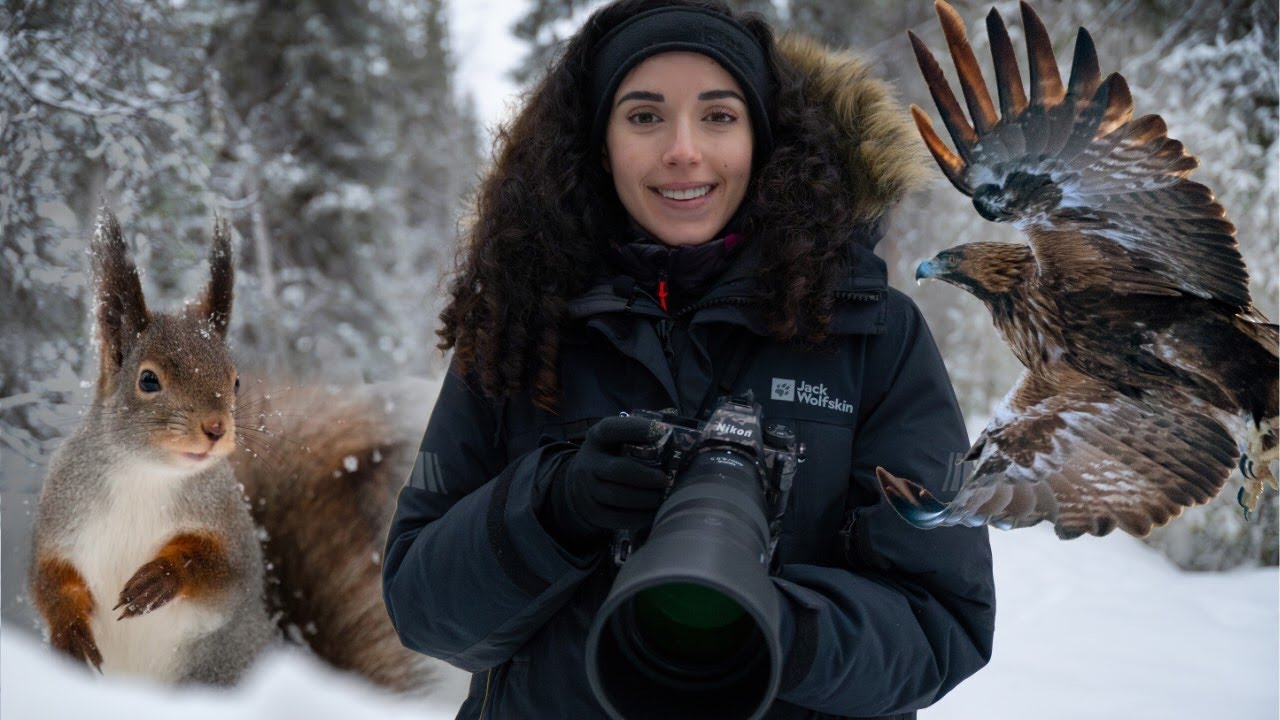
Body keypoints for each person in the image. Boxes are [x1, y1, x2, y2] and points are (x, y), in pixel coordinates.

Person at [382, 1, 995, 717]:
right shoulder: (521, 322)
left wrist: (774, 627)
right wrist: (552, 506)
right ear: (598, 142)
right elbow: (424, 613)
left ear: (765, 140)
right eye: (644, 116)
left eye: (718, 116)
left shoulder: (873, 334)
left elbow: (943, 620)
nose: (683, 151)